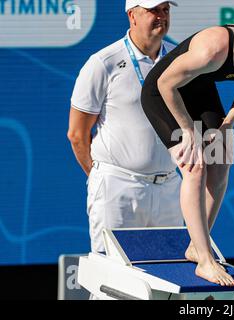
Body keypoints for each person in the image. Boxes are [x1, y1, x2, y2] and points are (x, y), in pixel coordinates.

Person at [140, 24, 234, 286]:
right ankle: (205, 261)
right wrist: (187, 129)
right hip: (163, 92)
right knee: (195, 165)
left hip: (198, 86)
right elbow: (166, 84)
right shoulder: (212, 50)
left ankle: (196, 246)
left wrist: (227, 124)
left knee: (221, 161)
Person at [67, 0, 183, 253]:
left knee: (169, 278)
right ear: (132, 15)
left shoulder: (181, 60)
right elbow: (77, 134)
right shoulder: (103, 63)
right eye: (153, 10)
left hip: (169, 189)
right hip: (117, 188)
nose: (161, 16)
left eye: (166, 10)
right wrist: (102, 177)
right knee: (113, 283)